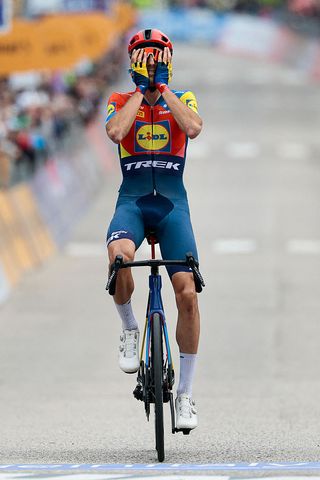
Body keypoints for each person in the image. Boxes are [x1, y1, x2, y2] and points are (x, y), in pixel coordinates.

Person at [105, 28, 203, 430]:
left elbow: (193, 127)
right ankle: (130, 328)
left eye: (157, 61)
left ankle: (185, 394)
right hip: (132, 202)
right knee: (119, 260)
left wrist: (162, 91)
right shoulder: (117, 101)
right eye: (144, 62)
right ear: (132, 66)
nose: (151, 68)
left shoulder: (183, 98)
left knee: (188, 294)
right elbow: (115, 131)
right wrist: (139, 93)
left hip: (172, 205)